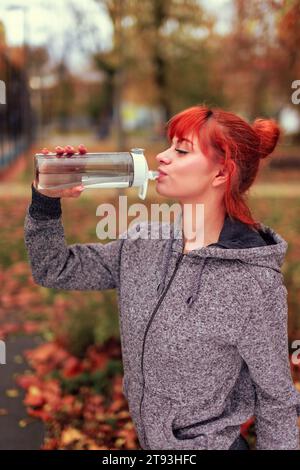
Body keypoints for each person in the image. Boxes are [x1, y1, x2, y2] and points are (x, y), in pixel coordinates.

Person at [24, 104, 300, 450]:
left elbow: (277, 400)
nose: (161, 157)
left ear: (220, 173)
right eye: (169, 145)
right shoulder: (143, 242)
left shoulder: (252, 284)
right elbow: (54, 267)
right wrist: (46, 202)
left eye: (181, 150)